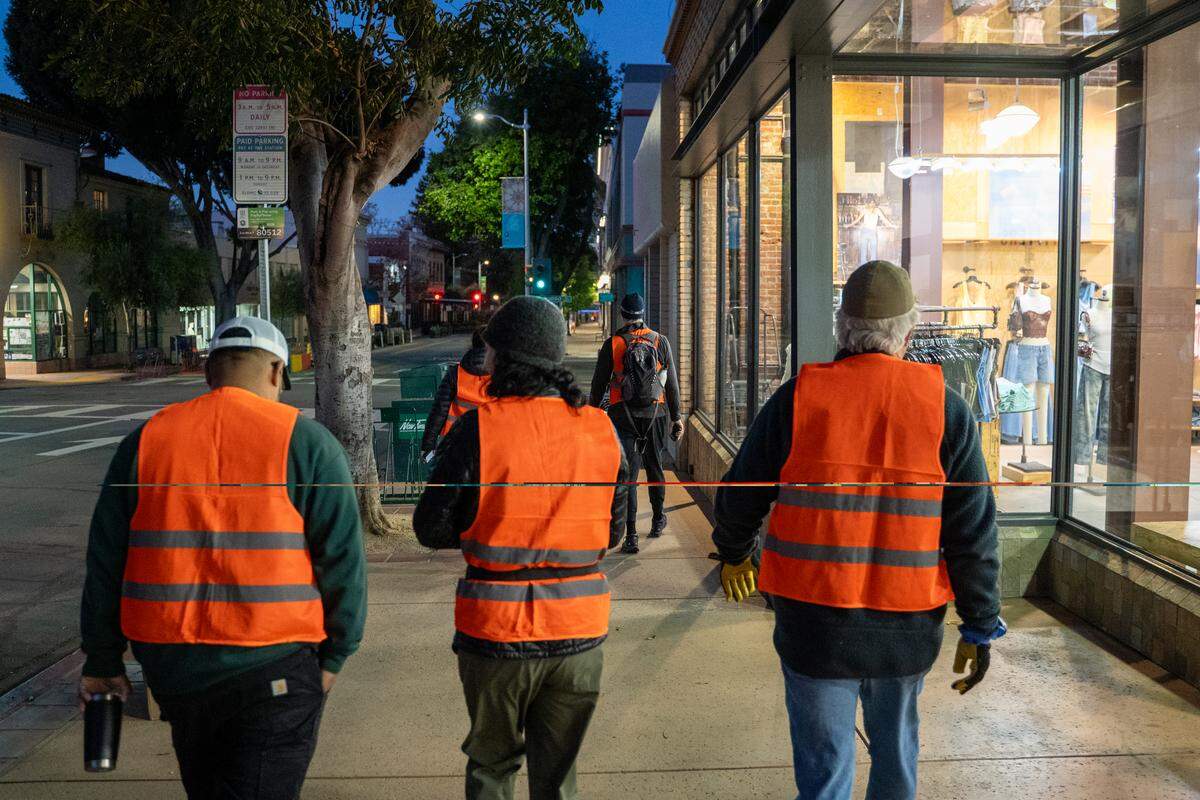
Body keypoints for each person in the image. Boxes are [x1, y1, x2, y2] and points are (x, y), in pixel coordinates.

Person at [712, 261, 1005, 800]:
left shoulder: (798, 399)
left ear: (842, 329)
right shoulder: (946, 409)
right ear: (909, 333)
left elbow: (742, 491)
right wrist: (979, 623)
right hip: (907, 633)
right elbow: (973, 530)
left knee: (824, 774)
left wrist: (734, 553)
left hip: (814, 631)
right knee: (896, 764)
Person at [79, 316, 367, 800]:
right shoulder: (307, 442)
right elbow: (342, 562)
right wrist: (336, 654)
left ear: (210, 373)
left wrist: (103, 658)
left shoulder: (146, 442)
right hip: (275, 666)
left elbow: (106, 559)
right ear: (276, 371)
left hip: (176, 673)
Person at [414, 296, 629, 800]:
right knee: (558, 780)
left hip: (495, 634)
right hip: (579, 634)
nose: (484, 360)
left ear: (505, 358)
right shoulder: (602, 431)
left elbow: (431, 527)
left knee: (492, 768)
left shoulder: (479, 428)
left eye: (490, 350)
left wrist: (489, 524)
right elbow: (613, 532)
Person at [588, 292, 682, 554]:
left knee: (628, 476)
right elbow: (671, 384)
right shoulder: (660, 341)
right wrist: (677, 417)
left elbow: (598, 385)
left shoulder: (614, 344)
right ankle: (657, 519)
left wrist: (591, 415)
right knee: (655, 468)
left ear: (622, 313)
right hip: (656, 414)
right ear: (643, 314)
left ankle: (630, 535)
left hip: (623, 415)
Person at [422, 328, 490, 460]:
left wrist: (428, 444)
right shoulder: (502, 376)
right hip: (490, 442)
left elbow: (439, 410)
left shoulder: (455, 373)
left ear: (473, 344)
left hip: (455, 442)